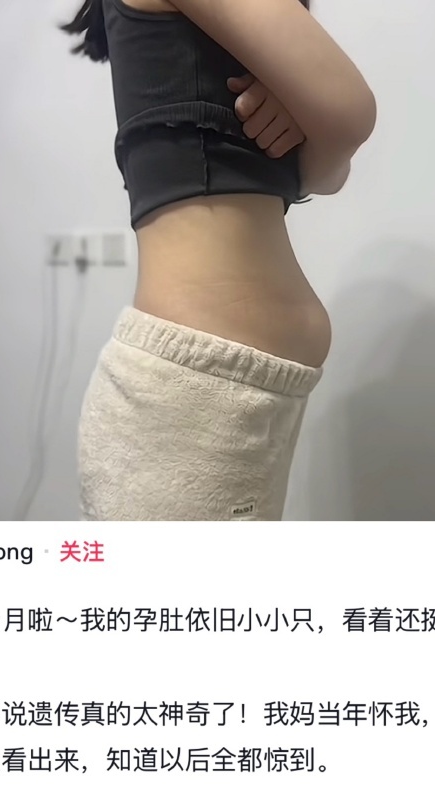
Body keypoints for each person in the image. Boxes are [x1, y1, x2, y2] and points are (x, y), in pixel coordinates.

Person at [61, 0, 376, 520]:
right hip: (189, 401)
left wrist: (301, 119)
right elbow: (349, 112)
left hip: (222, 398)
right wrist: (310, 120)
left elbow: (329, 173)